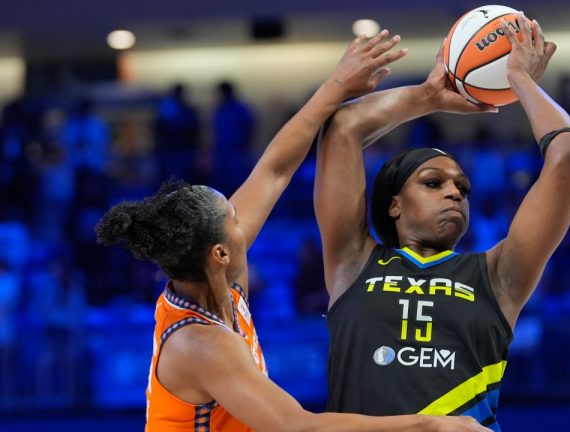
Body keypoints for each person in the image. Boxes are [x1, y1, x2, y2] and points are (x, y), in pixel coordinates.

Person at [95, 31, 489, 432]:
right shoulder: (201, 343)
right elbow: (299, 427)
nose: (243, 216)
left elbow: (274, 170)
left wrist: (342, 86)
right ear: (220, 252)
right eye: (233, 216)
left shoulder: (211, 272)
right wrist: (432, 425)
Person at [315, 13, 570, 431]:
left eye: (462, 187)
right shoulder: (353, 262)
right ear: (394, 205)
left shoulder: (497, 276)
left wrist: (520, 80)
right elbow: (343, 127)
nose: (455, 192)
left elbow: (568, 155)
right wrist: (428, 95)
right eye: (433, 182)